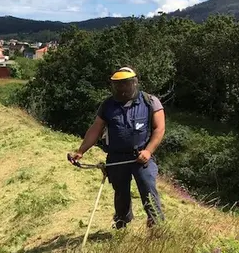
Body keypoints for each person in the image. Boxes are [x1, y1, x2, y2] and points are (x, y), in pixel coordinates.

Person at [68, 66, 166, 229]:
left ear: (134, 83)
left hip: (141, 157)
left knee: (147, 186)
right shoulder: (108, 105)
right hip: (116, 158)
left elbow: (160, 128)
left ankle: (156, 225)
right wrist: (81, 151)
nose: (122, 88)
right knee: (120, 193)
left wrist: (148, 151)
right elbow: (95, 129)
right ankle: (122, 221)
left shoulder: (150, 102)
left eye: (125, 84)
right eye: (118, 85)